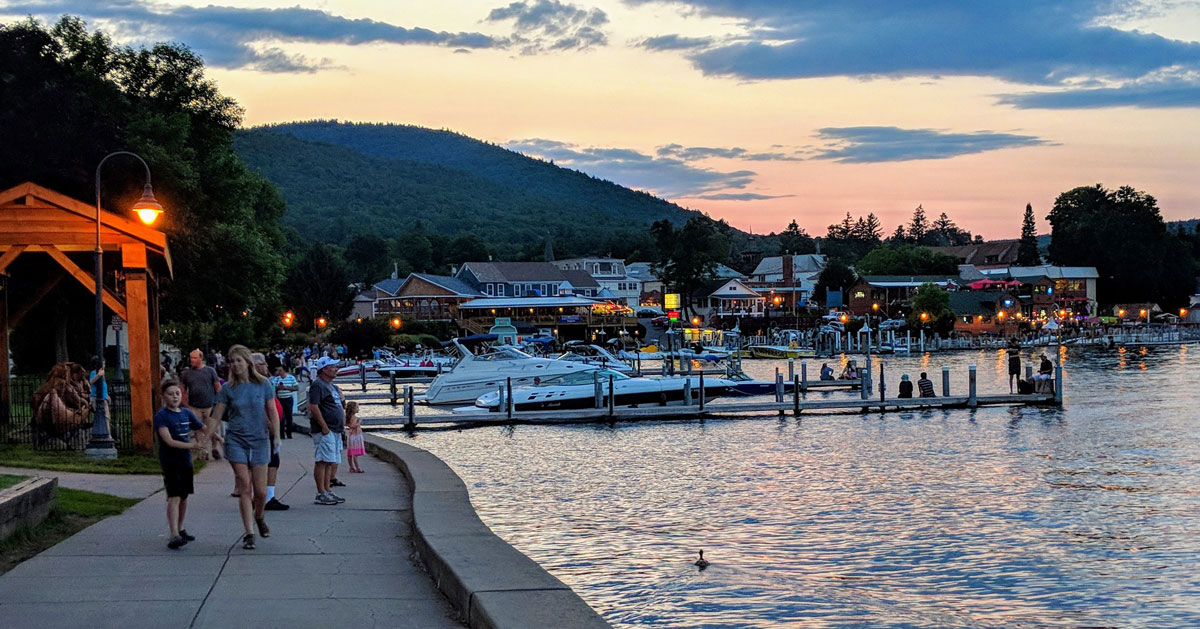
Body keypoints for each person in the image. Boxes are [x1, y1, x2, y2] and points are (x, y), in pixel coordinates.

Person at [209, 345, 280, 550]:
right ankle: (249, 533)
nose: (235, 365)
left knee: (260, 491)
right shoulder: (228, 389)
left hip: (259, 439)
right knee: (244, 484)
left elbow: (272, 411)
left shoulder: (264, 384)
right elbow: (216, 415)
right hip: (236, 440)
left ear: (248, 362)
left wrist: (276, 435)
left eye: (239, 360)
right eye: (232, 361)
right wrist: (206, 438)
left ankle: (259, 517)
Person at [154, 380, 210, 550]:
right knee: (174, 496)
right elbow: (168, 441)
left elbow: (203, 428)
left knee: (184, 496)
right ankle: (173, 534)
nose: (174, 397)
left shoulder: (186, 413)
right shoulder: (161, 416)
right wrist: (193, 445)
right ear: (164, 397)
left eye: (177, 393)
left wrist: (218, 438)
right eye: (170, 394)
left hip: (185, 461)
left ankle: (181, 528)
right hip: (171, 461)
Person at [252, 353, 290, 512]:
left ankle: (265, 496)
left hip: (270, 427)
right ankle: (266, 498)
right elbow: (260, 408)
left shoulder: (264, 382)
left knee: (273, 461)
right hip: (265, 430)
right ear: (255, 366)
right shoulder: (258, 383)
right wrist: (272, 428)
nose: (266, 366)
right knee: (271, 462)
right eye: (263, 364)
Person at [308, 356, 346, 506]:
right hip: (326, 429)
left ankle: (327, 490)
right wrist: (323, 426)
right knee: (322, 460)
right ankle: (321, 492)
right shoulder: (318, 385)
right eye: (332, 367)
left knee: (330, 460)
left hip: (335, 429)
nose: (336, 369)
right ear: (324, 369)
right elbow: (313, 406)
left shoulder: (331, 386)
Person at [180, 349, 222, 459]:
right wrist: (185, 404)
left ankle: (214, 448)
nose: (192, 360)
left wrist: (218, 403)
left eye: (194, 358)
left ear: (200, 359)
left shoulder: (210, 371)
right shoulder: (187, 373)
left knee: (212, 429)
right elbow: (183, 390)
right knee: (198, 429)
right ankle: (202, 452)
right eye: (191, 358)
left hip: (209, 405)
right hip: (194, 405)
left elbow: (218, 387)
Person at [270, 364, 299, 439]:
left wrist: (286, 388)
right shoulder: (277, 379)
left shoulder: (291, 378)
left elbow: (296, 387)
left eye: (280, 370)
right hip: (280, 399)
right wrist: (278, 388)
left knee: (289, 417)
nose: (279, 372)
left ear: (284, 371)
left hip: (288, 398)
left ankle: (289, 433)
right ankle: (281, 434)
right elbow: (273, 388)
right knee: (281, 417)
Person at [87, 357, 111, 437]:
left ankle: (106, 433)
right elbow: (91, 381)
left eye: (104, 363)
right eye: (103, 363)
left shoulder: (102, 374)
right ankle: (107, 434)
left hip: (103, 397)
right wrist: (98, 375)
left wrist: (106, 395)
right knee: (105, 416)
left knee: (106, 417)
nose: (104, 365)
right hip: (96, 398)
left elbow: (103, 386)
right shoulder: (94, 372)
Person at [346, 401, 365, 473]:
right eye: (357, 407)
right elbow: (353, 425)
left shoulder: (348, 417)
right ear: (353, 409)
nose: (358, 409)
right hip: (355, 436)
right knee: (355, 453)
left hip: (352, 435)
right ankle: (357, 467)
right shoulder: (354, 417)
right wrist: (359, 422)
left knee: (350, 453)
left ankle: (351, 467)